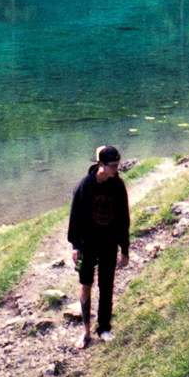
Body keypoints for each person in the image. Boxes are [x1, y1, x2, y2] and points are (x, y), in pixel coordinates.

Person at [67, 144, 130, 348]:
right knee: (86, 286)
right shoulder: (85, 186)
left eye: (117, 165)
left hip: (109, 244)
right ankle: (85, 332)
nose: (116, 169)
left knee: (106, 286)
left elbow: (123, 218)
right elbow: (74, 218)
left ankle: (104, 328)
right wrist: (75, 246)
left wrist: (125, 248)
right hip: (87, 244)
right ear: (100, 165)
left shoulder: (118, 186)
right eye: (113, 166)